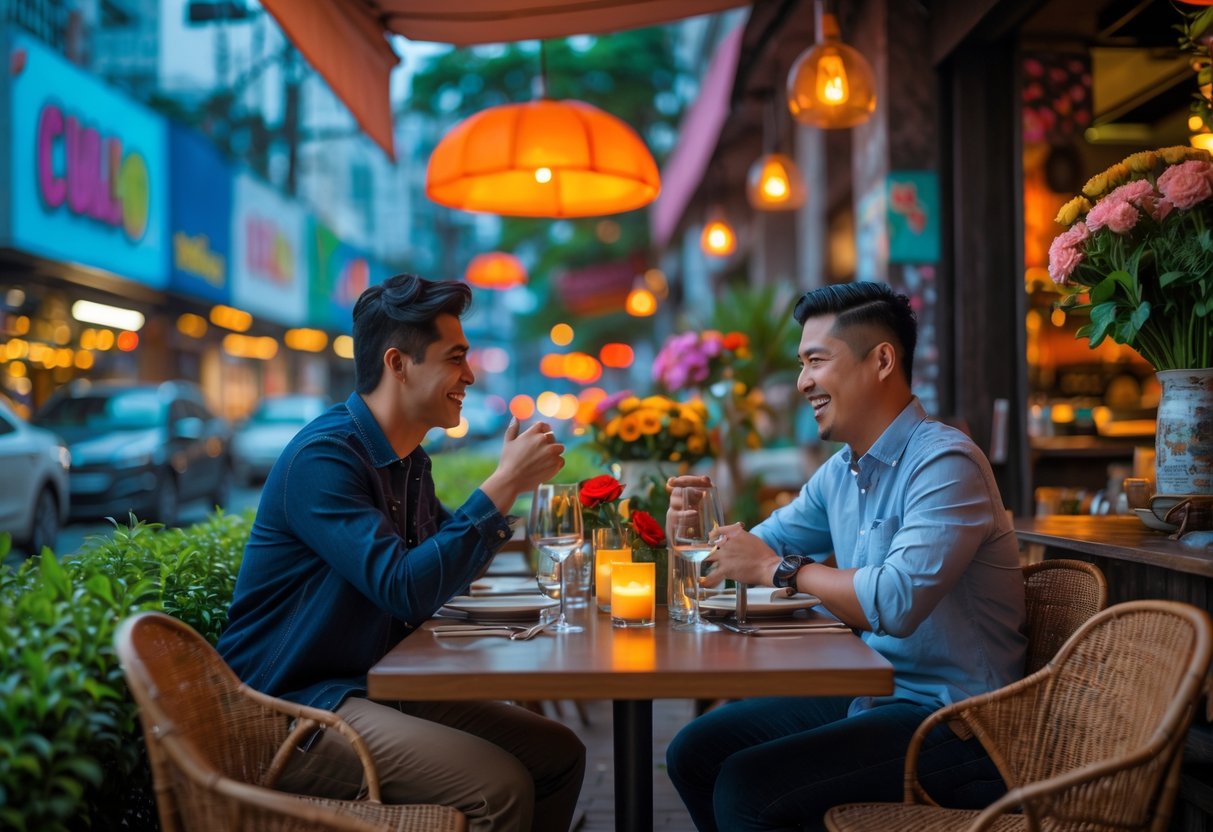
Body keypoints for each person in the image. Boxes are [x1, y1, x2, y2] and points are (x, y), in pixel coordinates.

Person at [216, 274, 585, 832]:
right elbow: (405, 588)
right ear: (398, 363)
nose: (471, 375)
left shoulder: (408, 461)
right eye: (455, 358)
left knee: (558, 754)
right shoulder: (325, 459)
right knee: (498, 789)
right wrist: (504, 485)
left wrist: (503, 510)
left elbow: (439, 572)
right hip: (291, 709)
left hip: (371, 687)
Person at [665, 281, 1026, 832]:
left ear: (882, 360)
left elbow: (897, 602)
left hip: (960, 725)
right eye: (802, 363)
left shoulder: (945, 462)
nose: (803, 381)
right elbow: (752, 552)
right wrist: (693, 536)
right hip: (877, 692)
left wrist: (778, 569)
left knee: (748, 786)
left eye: (816, 361)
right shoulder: (843, 471)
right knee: (696, 749)